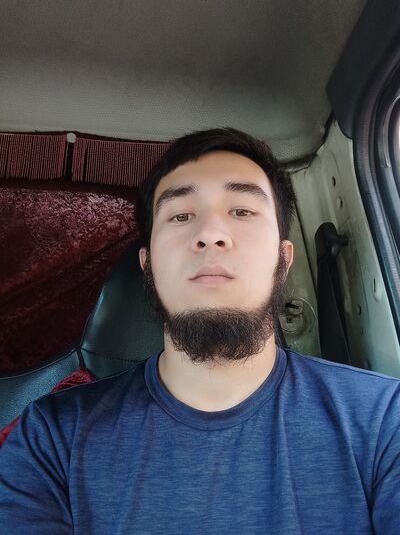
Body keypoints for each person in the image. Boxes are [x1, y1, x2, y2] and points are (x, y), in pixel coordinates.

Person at [0, 127, 399, 534]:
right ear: (148, 266)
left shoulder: (384, 420)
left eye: (242, 211)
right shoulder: (52, 439)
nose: (210, 234)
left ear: (283, 260)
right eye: (181, 215)